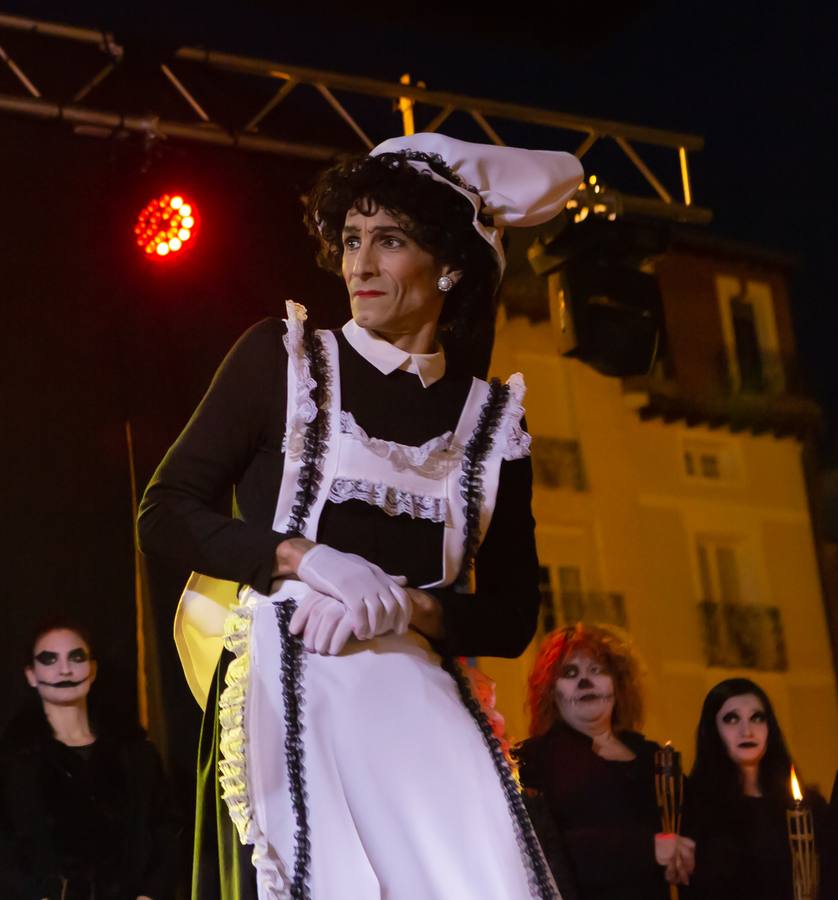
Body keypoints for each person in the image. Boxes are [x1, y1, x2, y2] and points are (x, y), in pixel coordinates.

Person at [138, 132, 580, 899]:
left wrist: (409, 609)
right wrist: (301, 559)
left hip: (422, 720)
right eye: (350, 240)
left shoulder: (493, 423)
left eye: (390, 241)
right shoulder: (282, 360)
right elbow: (166, 512)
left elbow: (511, 618)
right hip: (290, 699)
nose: (360, 266)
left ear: (448, 264)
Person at [0, 620, 179, 900]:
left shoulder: (136, 755)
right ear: (31, 674)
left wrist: (151, 894)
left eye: (76, 657)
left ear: (92, 669)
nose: (65, 670)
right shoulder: (14, 762)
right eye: (49, 660)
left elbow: (166, 831)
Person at [515, 624, 690, 899]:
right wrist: (646, 849)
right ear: (551, 691)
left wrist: (685, 855)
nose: (585, 682)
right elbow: (543, 848)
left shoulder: (654, 757)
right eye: (570, 673)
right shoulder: (533, 760)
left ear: (618, 684)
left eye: (596, 670)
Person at [684, 678, 837, 900]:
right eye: (731, 719)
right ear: (713, 730)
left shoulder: (808, 808)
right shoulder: (693, 809)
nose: (747, 731)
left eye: (757, 718)